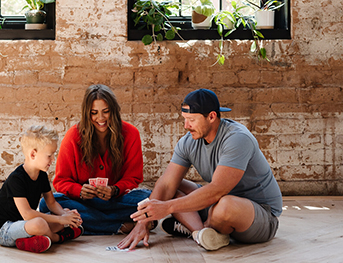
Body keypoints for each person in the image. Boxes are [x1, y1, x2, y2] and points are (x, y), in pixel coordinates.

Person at [117, 89, 282, 252]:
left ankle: (196, 228)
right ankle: (201, 234)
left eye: (191, 120)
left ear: (211, 116)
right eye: (184, 119)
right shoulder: (188, 141)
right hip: (217, 204)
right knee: (174, 186)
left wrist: (167, 208)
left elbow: (217, 190)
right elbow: (167, 184)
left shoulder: (237, 139)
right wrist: (142, 224)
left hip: (260, 215)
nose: (186, 126)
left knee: (225, 206)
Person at [39, 84, 152, 234]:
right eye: (94, 113)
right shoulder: (73, 136)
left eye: (106, 112)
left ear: (114, 111)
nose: (100, 118)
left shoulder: (131, 133)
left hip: (116, 200)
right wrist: (80, 191)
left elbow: (134, 177)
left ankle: (85, 224)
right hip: (84, 202)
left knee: (149, 199)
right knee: (46, 204)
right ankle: (121, 226)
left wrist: (115, 189)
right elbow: (61, 181)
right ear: (87, 113)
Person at [0, 125, 84, 253]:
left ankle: (31, 241)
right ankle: (57, 238)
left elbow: (51, 203)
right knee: (39, 223)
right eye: (49, 155)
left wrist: (65, 215)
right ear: (33, 154)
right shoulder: (16, 179)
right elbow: (28, 214)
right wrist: (60, 219)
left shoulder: (42, 175)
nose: (53, 159)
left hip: (26, 224)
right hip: (5, 230)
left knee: (64, 211)